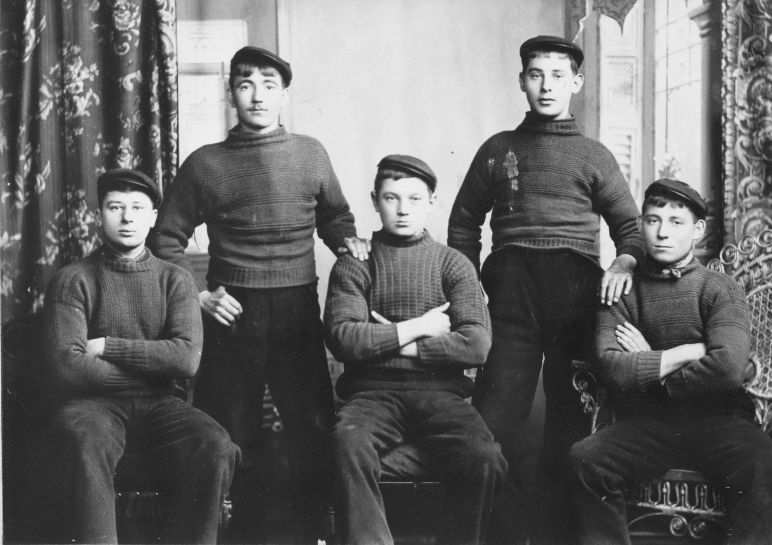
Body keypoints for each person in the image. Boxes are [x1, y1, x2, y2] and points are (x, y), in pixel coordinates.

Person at [148, 46, 369, 542]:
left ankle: (312, 532)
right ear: (232, 96)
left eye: (269, 85)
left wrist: (345, 241)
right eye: (246, 85)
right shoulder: (205, 164)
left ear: (285, 95)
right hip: (233, 313)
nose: (257, 96)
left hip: (296, 308)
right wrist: (198, 298)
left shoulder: (311, 153)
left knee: (312, 428)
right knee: (230, 429)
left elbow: (335, 216)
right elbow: (164, 241)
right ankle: (239, 534)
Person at [447, 35, 646, 543]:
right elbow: (464, 224)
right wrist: (468, 289)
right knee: (494, 420)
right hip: (510, 296)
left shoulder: (594, 155)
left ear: (576, 83)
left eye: (558, 76)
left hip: (578, 298)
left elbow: (630, 228)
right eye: (536, 75)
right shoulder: (498, 149)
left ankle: (559, 535)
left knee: (571, 423)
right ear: (522, 82)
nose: (546, 85)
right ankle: (506, 537)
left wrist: (624, 258)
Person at [566, 178, 772, 544]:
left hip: (720, 420)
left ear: (697, 230)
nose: (663, 232)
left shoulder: (719, 287)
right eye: (653, 220)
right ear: (641, 226)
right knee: (585, 460)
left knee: (758, 468)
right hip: (649, 425)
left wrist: (648, 365)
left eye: (676, 222)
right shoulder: (620, 291)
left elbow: (729, 368)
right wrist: (687, 352)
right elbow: (610, 367)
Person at [42, 168, 239, 544]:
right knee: (83, 440)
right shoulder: (73, 279)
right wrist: (152, 371)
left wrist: (109, 346)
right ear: (99, 214)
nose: (127, 217)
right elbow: (68, 367)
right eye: (115, 207)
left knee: (214, 443)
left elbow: (185, 360)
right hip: (92, 406)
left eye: (137, 208)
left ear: (152, 218)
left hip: (162, 405)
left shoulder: (176, 280)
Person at [325, 155, 508, 545]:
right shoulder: (355, 264)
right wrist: (421, 328)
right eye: (392, 198)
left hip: (442, 397)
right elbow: (344, 338)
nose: (403, 209)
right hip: (371, 395)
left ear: (432, 201)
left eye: (414, 198)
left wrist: (389, 338)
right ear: (375, 201)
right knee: (347, 443)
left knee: (486, 457)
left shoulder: (454, 265)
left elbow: (477, 345)